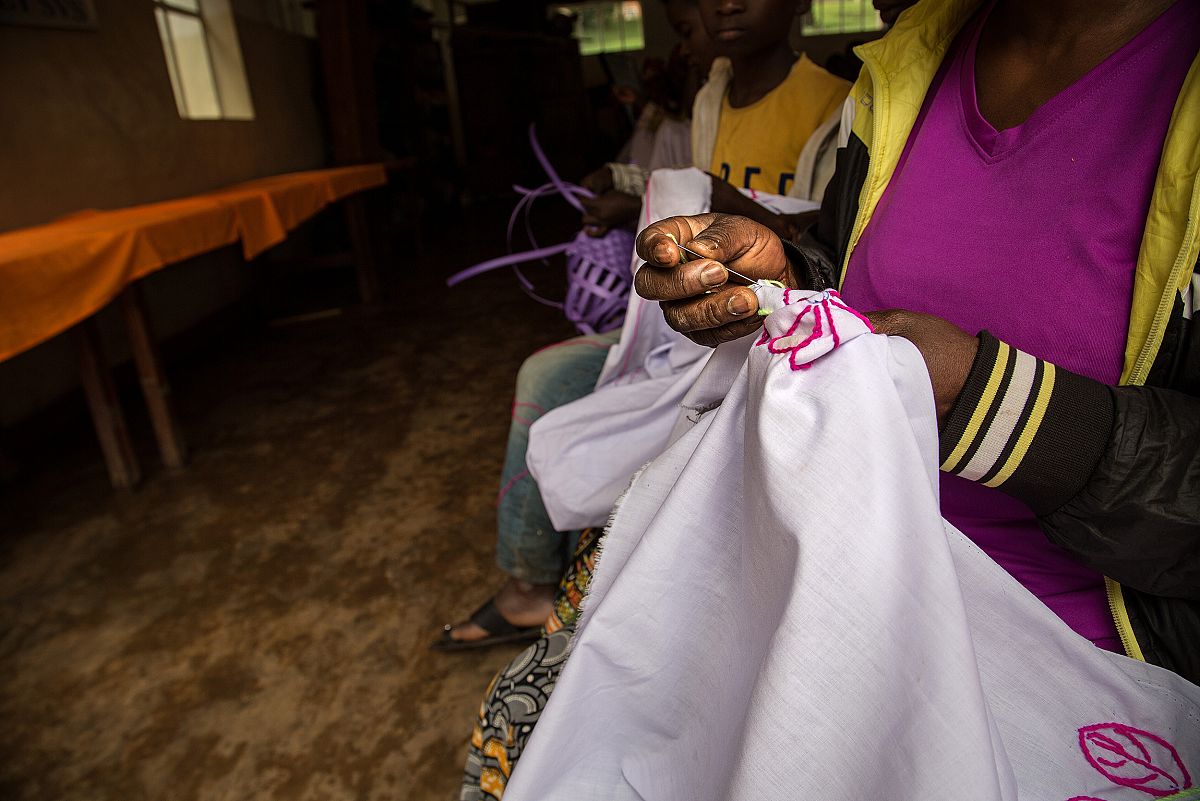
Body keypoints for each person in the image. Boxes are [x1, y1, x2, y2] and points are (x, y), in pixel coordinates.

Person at [634, 0, 1200, 677]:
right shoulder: (908, 64)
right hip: (840, 566)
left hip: (1069, 648)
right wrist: (790, 279)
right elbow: (854, 269)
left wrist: (992, 406)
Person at [438, 0, 851, 648]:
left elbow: (821, 245)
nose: (727, 4)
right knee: (546, 374)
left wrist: (708, 198)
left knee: (624, 421)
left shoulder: (838, 107)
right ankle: (530, 586)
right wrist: (631, 187)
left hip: (772, 331)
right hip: (690, 325)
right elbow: (687, 185)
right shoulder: (713, 95)